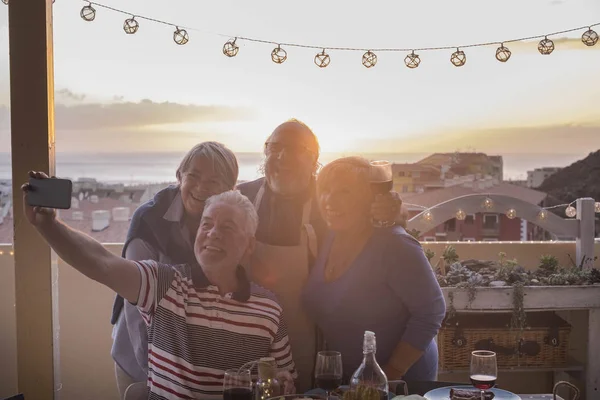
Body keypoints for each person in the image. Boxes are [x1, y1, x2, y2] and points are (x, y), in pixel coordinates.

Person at [22, 176, 296, 399]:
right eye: (207, 224)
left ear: (249, 245)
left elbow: (283, 381)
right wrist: (49, 226)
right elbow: (101, 263)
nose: (213, 233)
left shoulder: (269, 308)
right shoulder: (164, 284)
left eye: (227, 227)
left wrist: (283, 384)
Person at [237, 119, 404, 392]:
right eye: (274, 147)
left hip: (307, 334)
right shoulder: (243, 196)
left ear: (313, 158)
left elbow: (373, 228)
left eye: (294, 149)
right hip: (249, 330)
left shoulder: (328, 201)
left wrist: (393, 211)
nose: (282, 157)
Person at [109, 142, 240, 397]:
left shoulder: (232, 219)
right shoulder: (149, 220)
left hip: (196, 362)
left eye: (214, 181)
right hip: (141, 359)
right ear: (179, 176)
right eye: (193, 176)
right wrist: (161, 375)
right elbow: (136, 307)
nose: (202, 187)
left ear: (229, 188)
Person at [302, 157, 446, 384]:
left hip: (400, 382)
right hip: (350, 381)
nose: (329, 200)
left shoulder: (396, 245)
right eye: (325, 190)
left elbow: (431, 313)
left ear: (368, 198)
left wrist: (387, 374)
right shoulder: (328, 236)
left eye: (344, 192)